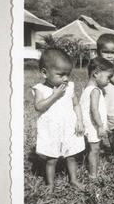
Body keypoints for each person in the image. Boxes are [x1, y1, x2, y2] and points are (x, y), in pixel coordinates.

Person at [32, 48, 85, 193]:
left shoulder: (69, 87)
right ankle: (50, 183)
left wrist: (80, 120)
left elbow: (76, 104)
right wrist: (54, 96)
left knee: (71, 156)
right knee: (51, 159)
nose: (66, 78)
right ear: (44, 73)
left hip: (68, 127)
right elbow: (38, 106)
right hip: (51, 129)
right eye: (61, 74)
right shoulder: (40, 89)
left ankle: (73, 179)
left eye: (68, 74)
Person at [80, 57, 114, 180]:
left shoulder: (86, 88)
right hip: (94, 126)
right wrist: (100, 125)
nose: (109, 81)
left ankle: (94, 171)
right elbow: (94, 110)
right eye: (108, 77)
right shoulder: (95, 91)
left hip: (88, 124)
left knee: (93, 149)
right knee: (95, 150)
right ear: (96, 73)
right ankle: (93, 175)